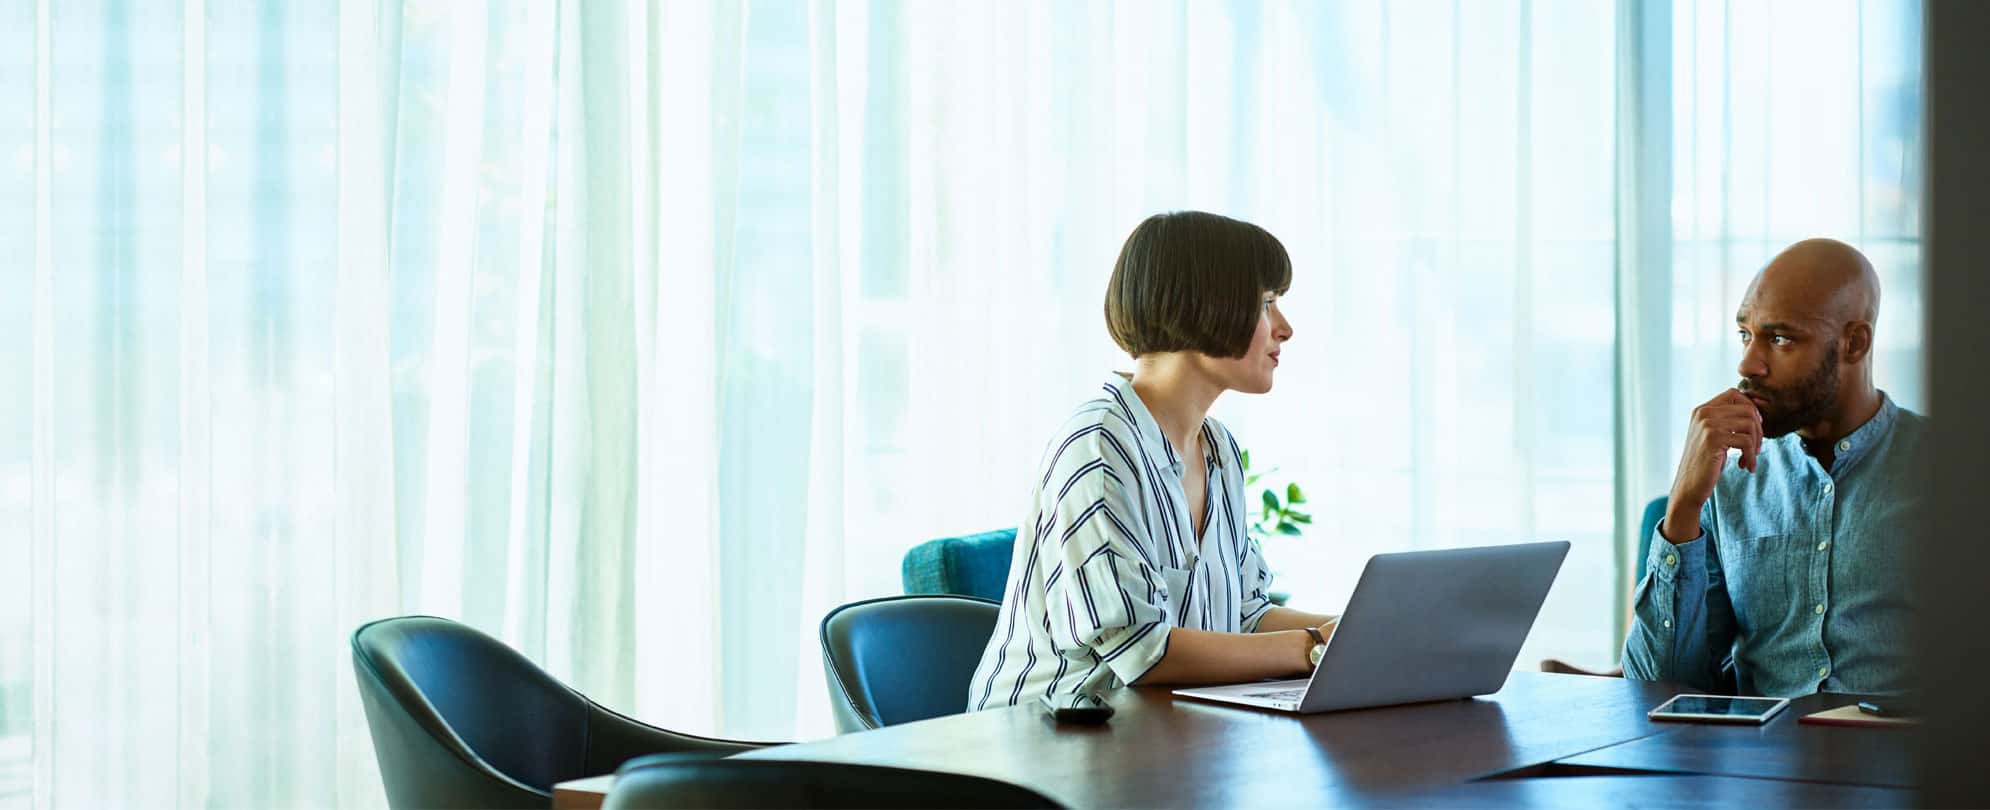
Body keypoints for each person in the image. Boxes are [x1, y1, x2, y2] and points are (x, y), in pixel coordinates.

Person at [968, 211, 1337, 711]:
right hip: (1045, 749)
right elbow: (1142, 650)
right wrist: (1313, 646)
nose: (1285, 328)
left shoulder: (1219, 451)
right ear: (1204, 307)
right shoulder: (1097, 448)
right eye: (1267, 303)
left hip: (1159, 742)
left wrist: (1350, 633)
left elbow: (1244, 615)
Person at [1622, 238, 1926, 697]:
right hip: (1756, 763)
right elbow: (1656, 687)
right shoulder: (1729, 479)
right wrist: (1684, 506)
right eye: (1746, 334)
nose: (1748, 363)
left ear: (1854, 343)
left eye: (1779, 339)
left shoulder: (1954, 470)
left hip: (1905, 764)